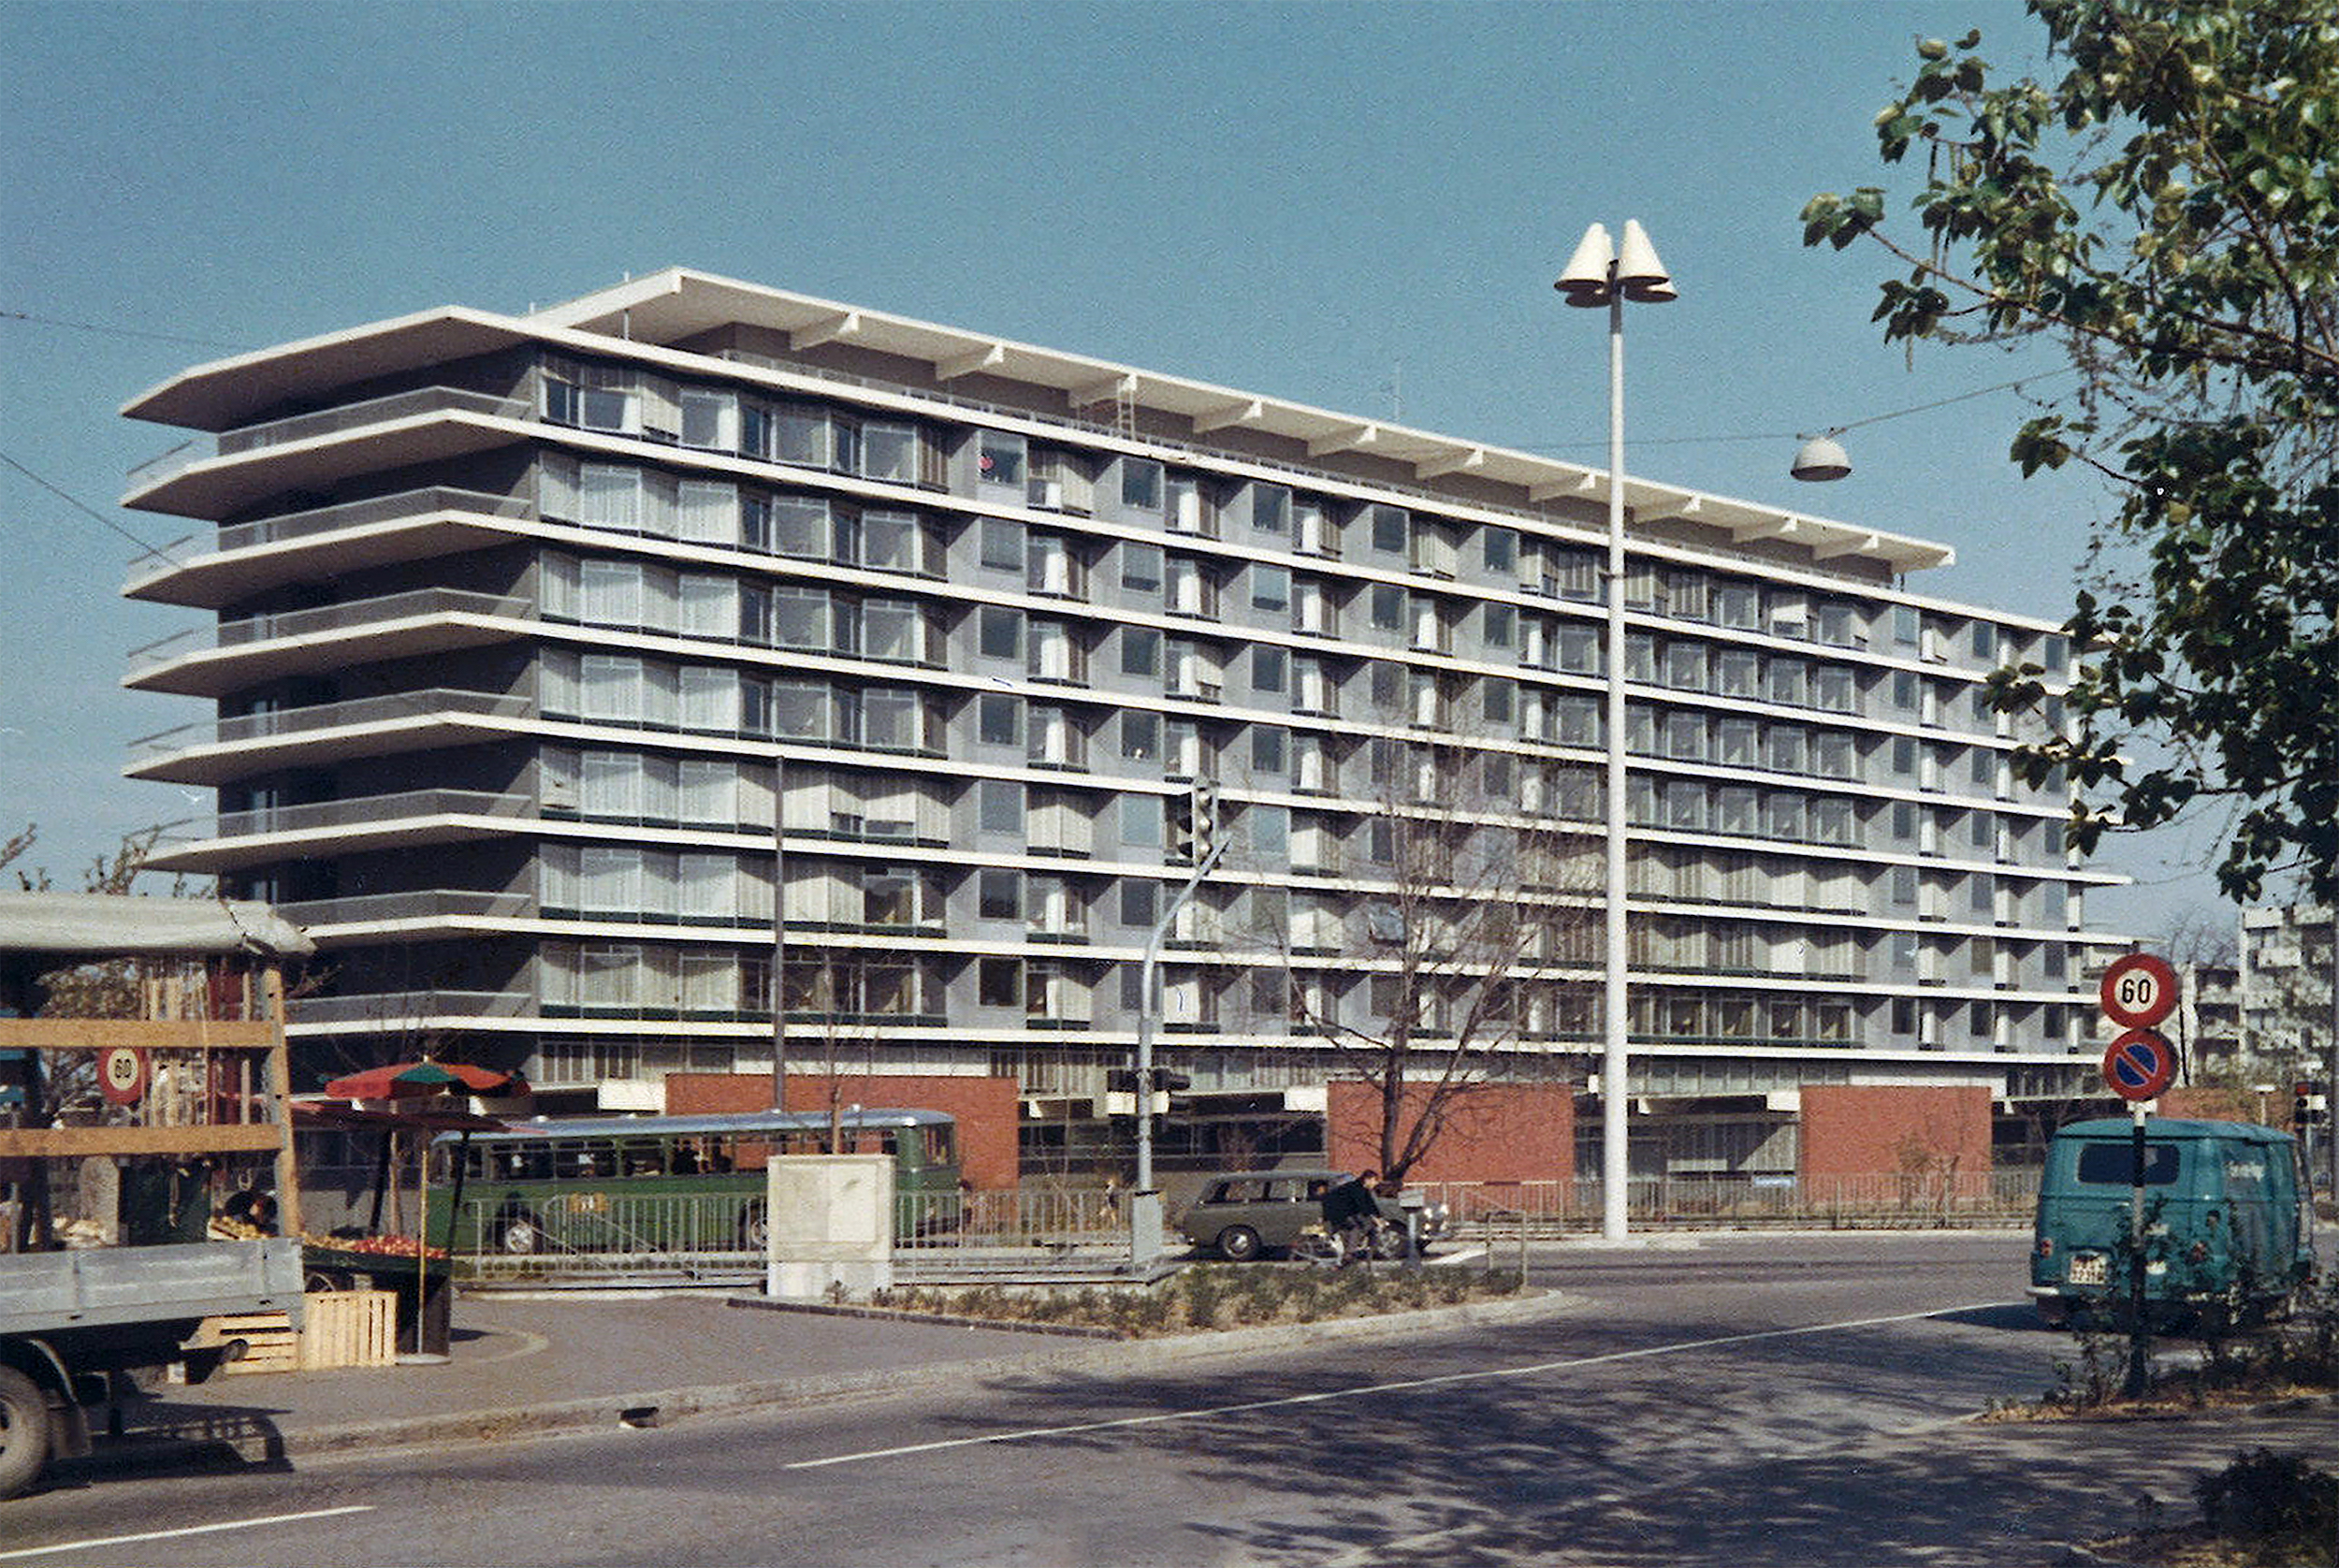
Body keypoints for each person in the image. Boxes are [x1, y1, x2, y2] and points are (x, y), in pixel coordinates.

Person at [1320, 1169, 1382, 1263]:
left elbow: (1371, 1204)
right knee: (1356, 1227)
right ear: (1367, 1179)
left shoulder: (1363, 1189)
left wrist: (1380, 1217)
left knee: (1361, 1224)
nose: (1376, 1183)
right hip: (1335, 1211)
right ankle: (1349, 1253)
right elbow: (1362, 1206)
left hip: (1344, 1211)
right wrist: (1373, 1218)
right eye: (1375, 1180)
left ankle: (1352, 1248)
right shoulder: (1356, 1188)